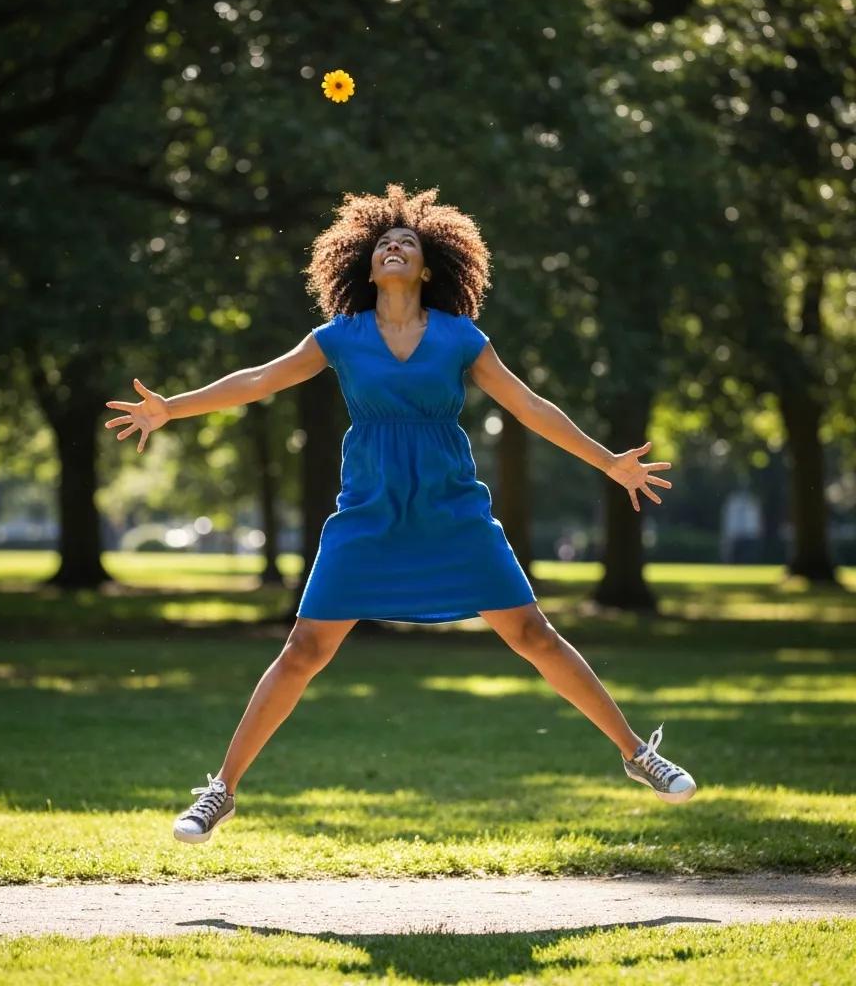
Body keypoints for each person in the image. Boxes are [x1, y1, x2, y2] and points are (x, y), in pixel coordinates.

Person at [104, 184, 697, 845]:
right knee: (303, 649)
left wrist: (608, 462)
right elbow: (258, 380)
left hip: (452, 511)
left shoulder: (460, 337)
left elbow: (530, 407)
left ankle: (636, 754)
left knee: (534, 635)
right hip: (368, 514)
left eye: (407, 243)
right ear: (366, 265)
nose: (393, 247)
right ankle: (222, 790)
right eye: (384, 242)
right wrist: (172, 407)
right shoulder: (340, 336)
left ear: (428, 269)